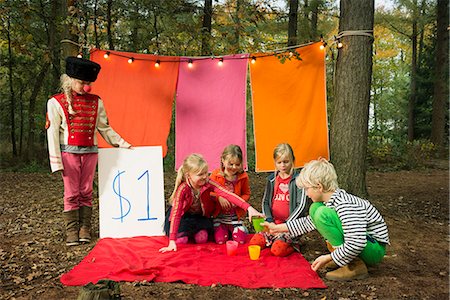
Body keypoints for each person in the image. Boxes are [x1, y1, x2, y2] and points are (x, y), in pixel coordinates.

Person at [46, 56, 131, 246]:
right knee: (71, 193)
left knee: (86, 191)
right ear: (70, 79)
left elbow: (105, 128)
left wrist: (123, 143)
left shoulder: (96, 102)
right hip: (69, 154)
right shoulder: (55, 102)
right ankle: (71, 230)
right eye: (82, 82)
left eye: (88, 83)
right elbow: (52, 134)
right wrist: (56, 162)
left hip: (91, 153)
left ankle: (85, 228)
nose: (86, 87)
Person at [263, 158, 390, 281]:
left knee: (321, 213)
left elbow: (357, 242)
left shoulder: (346, 205)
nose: (306, 194)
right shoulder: (331, 201)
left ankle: (354, 265)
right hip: (364, 245)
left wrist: (329, 257)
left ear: (319, 187)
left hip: (373, 249)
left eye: (307, 189)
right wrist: (277, 228)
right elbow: (307, 223)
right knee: (315, 209)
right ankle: (344, 259)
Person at [159, 153, 263, 253]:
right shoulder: (183, 189)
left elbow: (227, 194)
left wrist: (249, 208)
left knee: (202, 238)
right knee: (182, 241)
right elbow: (176, 214)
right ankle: (183, 235)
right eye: (200, 174)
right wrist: (171, 241)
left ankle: (193, 234)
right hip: (182, 217)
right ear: (188, 176)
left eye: (206, 172)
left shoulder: (207, 183)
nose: (205, 176)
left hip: (199, 217)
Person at [249, 143, 310, 257]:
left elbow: (301, 205)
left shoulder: (299, 180)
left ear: (293, 160)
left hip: (290, 225)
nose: (283, 165)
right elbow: (265, 202)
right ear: (275, 163)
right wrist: (270, 220)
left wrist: (286, 225)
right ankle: (273, 239)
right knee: (255, 242)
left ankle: (294, 244)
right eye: (279, 162)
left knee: (277, 250)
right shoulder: (272, 179)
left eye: (286, 162)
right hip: (273, 223)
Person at [210, 144, 251, 244]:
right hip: (219, 216)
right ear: (223, 161)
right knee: (220, 240)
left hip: (235, 216)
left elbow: (247, 194)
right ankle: (221, 229)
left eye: (237, 164)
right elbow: (209, 193)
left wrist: (237, 201)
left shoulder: (243, 177)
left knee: (240, 240)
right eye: (230, 164)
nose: (234, 167)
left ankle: (239, 229)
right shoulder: (215, 175)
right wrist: (218, 198)